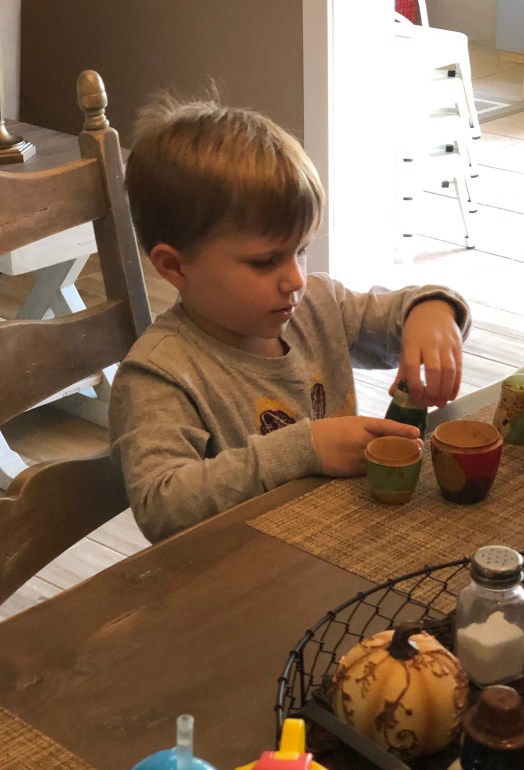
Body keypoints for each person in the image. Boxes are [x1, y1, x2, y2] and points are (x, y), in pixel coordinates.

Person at [109, 93, 471, 542]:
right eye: (266, 261)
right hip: (245, 567)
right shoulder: (158, 375)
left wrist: (433, 312)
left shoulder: (317, 305)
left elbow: (398, 317)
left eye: (301, 250)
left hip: (338, 537)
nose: (296, 278)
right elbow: (162, 505)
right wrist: (306, 449)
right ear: (174, 267)